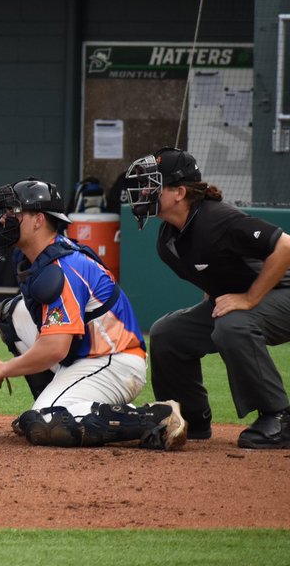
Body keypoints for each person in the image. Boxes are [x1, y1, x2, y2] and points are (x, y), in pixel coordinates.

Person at [0, 178, 187, 450]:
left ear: (38, 220)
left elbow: (54, 348)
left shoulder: (62, 267)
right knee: (12, 315)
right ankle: (61, 405)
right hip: (85, 355)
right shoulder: (43, 257)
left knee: (45, 422)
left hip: (114, 362)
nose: (5, 219)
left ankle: (155, 417)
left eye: (14, 212)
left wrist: (2, 369)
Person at [124, 146, 290, 449]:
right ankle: (190, 418)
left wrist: (250, 299)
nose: (144, 191)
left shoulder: (218, 219)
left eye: (153, 185)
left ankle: (279, 417)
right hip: (254, 299)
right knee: (168, 333)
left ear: (179, 192)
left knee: (232, 324)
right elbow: (213, 273)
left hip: (283, 293)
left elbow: (285, 247)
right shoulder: (168, 239)